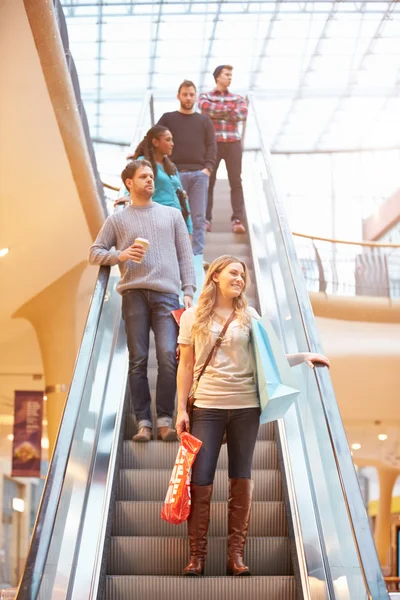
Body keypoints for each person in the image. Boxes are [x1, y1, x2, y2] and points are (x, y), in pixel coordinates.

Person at [176, 255, 330, 576]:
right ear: (216, 275)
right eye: (234, 273)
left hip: (246, 407)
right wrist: (180, 409)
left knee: (241, 478)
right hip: (207, 406)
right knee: (201, 480)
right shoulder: (192, 317)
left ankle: (236, 557)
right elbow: (186, 365)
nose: (240, 279)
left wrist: (305, 356)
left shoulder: (250, 317)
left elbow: (271, 357)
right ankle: (197, 557)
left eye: (243, 276)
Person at [89, 159, 196, 442]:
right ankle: (143, 423)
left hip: (168, 295)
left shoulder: (172, 215)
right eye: (143, 177)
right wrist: (120, 255)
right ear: (129, 183)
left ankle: (164, 419)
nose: (150, 180)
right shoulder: (118, 219)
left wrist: (188, 290)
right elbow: (94, 253)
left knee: (168, 357)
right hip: (133, 294)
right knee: (138, 360)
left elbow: (186, 255)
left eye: (151, 176)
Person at [158, 80, 216, 257]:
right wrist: (137, 154)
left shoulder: (204, 121)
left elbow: (212, 146)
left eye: (191, 94)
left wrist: (208, 169)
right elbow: (152, 137)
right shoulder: (168, 118)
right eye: (185, 94)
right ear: (178, 96)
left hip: (199, 174)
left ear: (196, 96)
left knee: (198, 217)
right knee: (174, 216)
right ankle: (173, 254)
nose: (188, 98)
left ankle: (196, 255)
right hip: (174, 174)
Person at [117, 126, 193, 237]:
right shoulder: (142, 162)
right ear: (155, 142)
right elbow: (132, 181)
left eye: (172, 140)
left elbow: (182, 196)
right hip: (156, 222)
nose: (172, 143)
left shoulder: (171, 166)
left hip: (177, 221)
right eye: (168, 140)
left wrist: (189, 227)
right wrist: (128, 195)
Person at [198, 65, 248, 234]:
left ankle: (238, 220)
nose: (230, 78)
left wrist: (217, 112)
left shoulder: (238, 97)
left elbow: (242, 114)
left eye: (231, 75)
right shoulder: (206, 96)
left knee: (236, 181)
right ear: (217, 77)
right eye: (227, 75)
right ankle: (206, 219)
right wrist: (229, 110)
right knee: (208, 182)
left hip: (233, 143)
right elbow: (205, 108)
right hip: (213, 144)